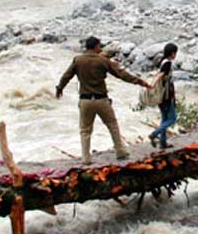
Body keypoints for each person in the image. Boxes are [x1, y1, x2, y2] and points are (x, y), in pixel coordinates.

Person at [56, 36, 150, 164]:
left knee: (85, 130)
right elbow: (121, 74)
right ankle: (120, 151)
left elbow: (66, 76)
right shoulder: (103, 61)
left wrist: (59, 88)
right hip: (101, 100)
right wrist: (140, 82)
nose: (100, 49)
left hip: (85, 101)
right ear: (95, 47)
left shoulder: (78, 60)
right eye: (99, 46)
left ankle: (86, 158)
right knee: (112, 125)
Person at [149, 43, 178, 150]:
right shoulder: (168, 64)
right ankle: (154, 134)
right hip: (166, 95)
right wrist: (151, 85)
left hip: (161, 95)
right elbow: (161, 75)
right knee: (172, 119)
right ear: (172, 53)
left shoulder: (161, 61)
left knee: (164, 118)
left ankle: (163, 143)